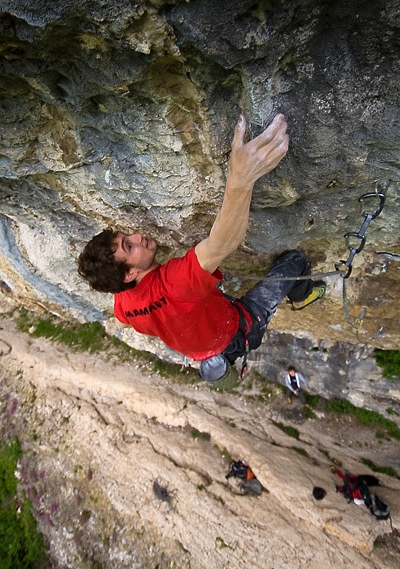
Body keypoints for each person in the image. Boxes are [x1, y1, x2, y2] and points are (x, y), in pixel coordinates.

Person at [78, 114, 326, 388]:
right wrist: (240, 178)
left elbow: (122, 321)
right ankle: (302, 296)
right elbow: (221, 244)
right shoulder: (173, 284)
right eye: (129, 246)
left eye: (127, 237)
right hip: (242, 328)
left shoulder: (124, 303)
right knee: (294, 262)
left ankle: (222, 359)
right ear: (129, 274)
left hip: (202, 349)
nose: (138, 236)